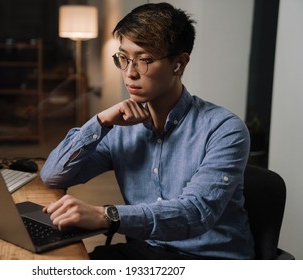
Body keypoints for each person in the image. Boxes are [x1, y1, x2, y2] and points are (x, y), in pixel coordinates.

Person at [40, 2, 254, 259]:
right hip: (148, 250)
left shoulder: (224, 128)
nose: (130, 74)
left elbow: (195, 213)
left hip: (210, 259)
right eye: (123, 59)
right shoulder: (121, 126)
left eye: (144, 60)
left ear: (179, 64)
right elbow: (54, 175)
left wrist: (105, 215)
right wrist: (100, 121)